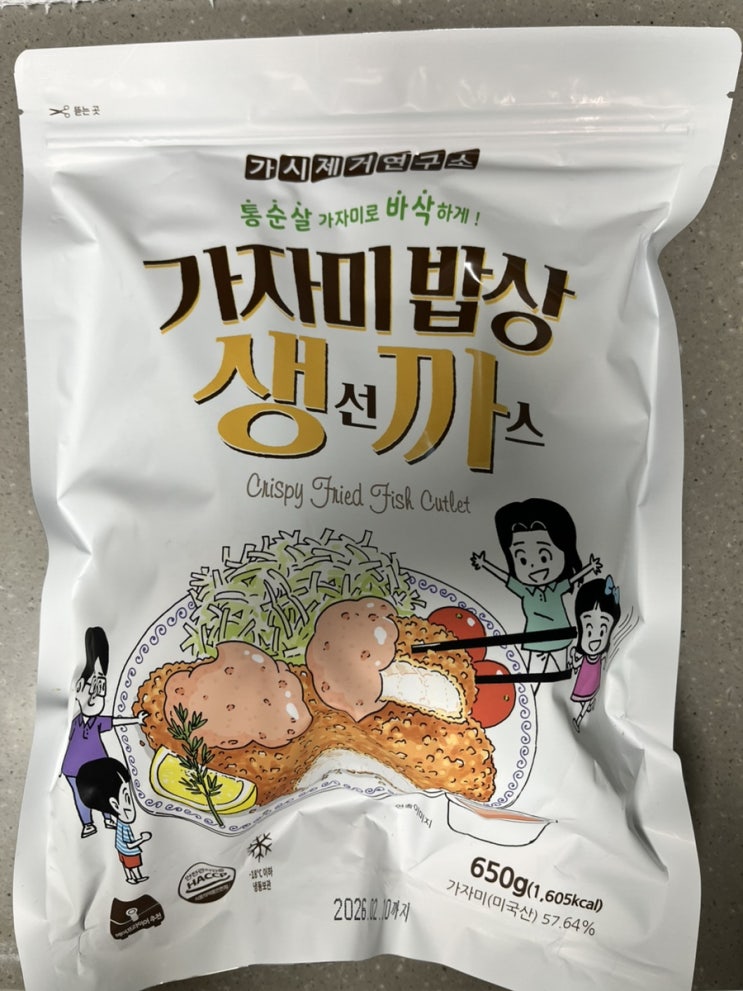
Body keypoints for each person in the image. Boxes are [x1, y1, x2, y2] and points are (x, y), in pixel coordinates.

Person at [471, 498, 601, 686]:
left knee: (561, 674)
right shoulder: (525, 590)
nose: (533, 565)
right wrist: (485, 564)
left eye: (544, 556)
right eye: (522, 560)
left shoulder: (555, 588)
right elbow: (505, 578)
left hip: (561, 637)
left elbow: (572, 579)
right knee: (533, 677)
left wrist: (590, 567)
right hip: (536, 641)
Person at [61, 627, 145, 837]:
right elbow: (61, 741)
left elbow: (115, 722)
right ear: (79, 685)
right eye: (93, 686)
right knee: (81, 797)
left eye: (101, 687)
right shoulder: (73, 720)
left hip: (99, 765)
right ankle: (88, 824)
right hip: (73, 768)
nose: (96, 696)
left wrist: (136, 719)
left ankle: (108, 818)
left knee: (107, 791)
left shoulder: (97, 721)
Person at [77, 757, 152, 884]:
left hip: (124, 852)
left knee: (128, 866)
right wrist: (142, 839)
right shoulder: (124, 827)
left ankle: (131, 877)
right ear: (115, 805)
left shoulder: (121, 825)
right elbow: (128, 845)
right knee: (132, 866)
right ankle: (134, 878)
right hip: (128, 852)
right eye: (128, 796)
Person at [570, 576, 621, 731]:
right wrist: (573, 659)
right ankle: (584, 711)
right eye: (589, 630)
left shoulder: (602, 655)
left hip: (593, 681)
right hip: (584, 681)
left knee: (586, 702)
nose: (595, 639)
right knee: (583, 700)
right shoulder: (585, 655)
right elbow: (575, 665)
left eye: (603, 630)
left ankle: (579, 719)